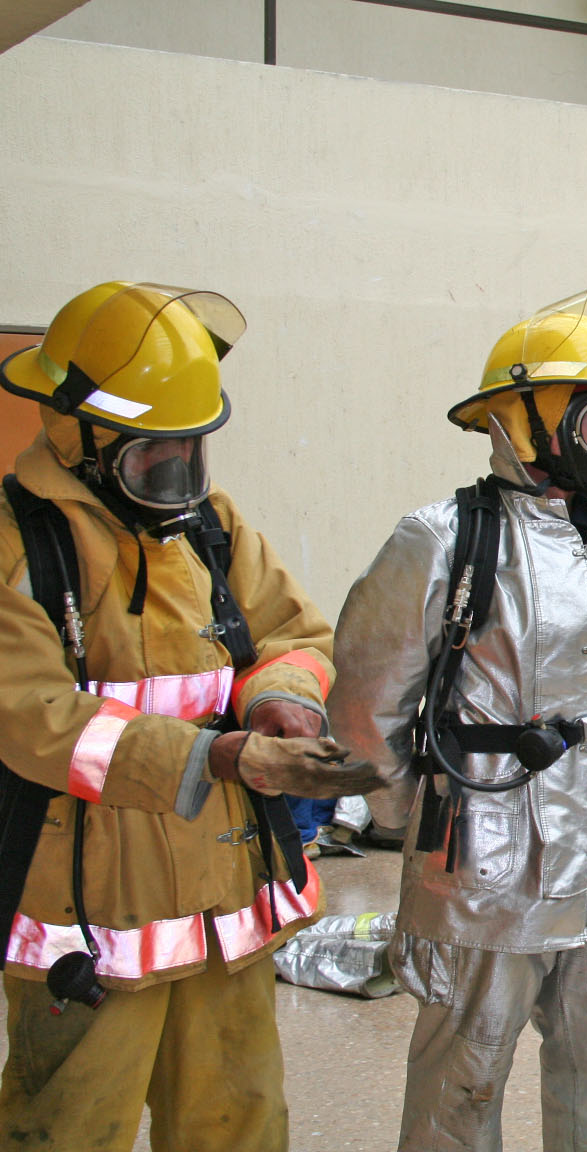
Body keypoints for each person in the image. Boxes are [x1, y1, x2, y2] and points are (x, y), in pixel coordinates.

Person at [0, 281, 371, 1150]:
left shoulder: (210, 526)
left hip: (223, 893)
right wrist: (216, 759)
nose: (177, 476)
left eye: (188, 450)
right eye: (151, 455)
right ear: (82, 436)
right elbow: (33, 716)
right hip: (91, 904)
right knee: (69, 1125)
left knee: (235, 1118)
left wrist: (282, 700)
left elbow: (292, 630)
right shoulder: (22, 546)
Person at [328, 285, 587, 1152]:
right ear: (526, 425)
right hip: (488, 874)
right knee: (463, 1087)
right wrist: (418, 823)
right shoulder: (442, 538)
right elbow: (367, 705)